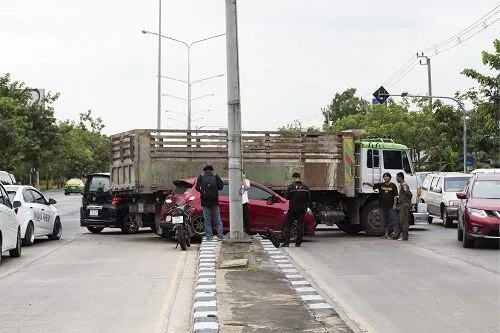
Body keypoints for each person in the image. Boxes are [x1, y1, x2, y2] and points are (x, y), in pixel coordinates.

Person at [364, 172, 398, 239]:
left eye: (387, 176)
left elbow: (395, 196)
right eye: (384, 176)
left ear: (389, 178)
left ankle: (395, 234)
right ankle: (386, 234)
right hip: (382, 206)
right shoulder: (381, 185)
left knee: (392, 220)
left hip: (391, 206)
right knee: (384, 221)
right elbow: (373, 185)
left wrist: (394, 205)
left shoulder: (393, 186)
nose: (386, 177)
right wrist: (367, 183)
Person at [195, 165, 224, 241]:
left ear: (204, 170)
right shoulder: (216, 176)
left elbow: (196, 188)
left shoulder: (201, 177)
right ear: (212, 170)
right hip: (214, 201)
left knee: (207, 220)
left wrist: (202, 191)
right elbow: (221, 187)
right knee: (217, 219)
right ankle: (220, 236)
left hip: (205, 202)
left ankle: (209, 237)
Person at [283, 172, 311, 247]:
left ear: (293, 178)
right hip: (302, 210)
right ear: (299, 177)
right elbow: (309, 198)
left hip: (292, 209)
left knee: (288, 225)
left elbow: (286, 197)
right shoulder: (306, 187)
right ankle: (298, 243)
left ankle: (286, 243)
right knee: (301, 225)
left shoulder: (291, 187)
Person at [392, 172, 412, 241]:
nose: (396, 179)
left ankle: (404, 237)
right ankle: (397, 235)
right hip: (401, 205)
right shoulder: (401, 185)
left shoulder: (404, 185)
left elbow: (409, 194)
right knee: (400, 221)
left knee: (404, 221)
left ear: (400, 177)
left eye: (397, 177)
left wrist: (405, 201)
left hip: (404, 205)